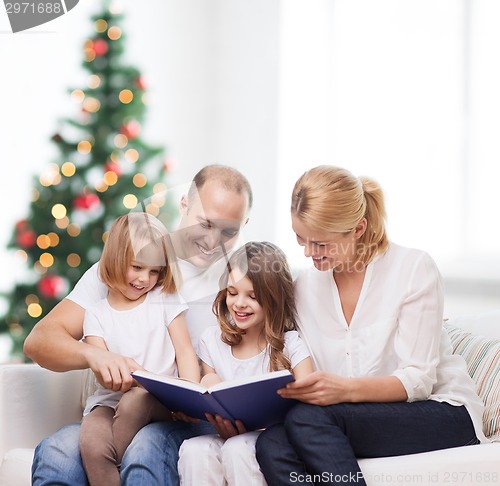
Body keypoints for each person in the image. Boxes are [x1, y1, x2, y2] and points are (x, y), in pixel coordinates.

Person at [255, 166, 487, 485]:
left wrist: (343, 389)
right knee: (272, 444)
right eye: (300, 239)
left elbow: (418, 380)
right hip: (345, 418)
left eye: (321, 244)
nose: (309, 253)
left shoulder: (412, 269)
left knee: (308, 419)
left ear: (358, 228)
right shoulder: (305, 288)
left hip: (441, 411)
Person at [24, 165, 252, 485]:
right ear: (184, 204)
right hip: (114, 411)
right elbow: (39, 341)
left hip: (185, 420)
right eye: (206, 224)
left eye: (228, 231)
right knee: (57, 452)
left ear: (244, 226)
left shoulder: (245, 285)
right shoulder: (125, 266)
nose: (213, 240)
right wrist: (95, 355)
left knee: (145, 448)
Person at [178, 241, 314, 486]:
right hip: (223, 434)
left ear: (273, 299)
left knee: (239, 448)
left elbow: (309, 405)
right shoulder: (212, 340)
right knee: (194, 449)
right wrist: (208, 381)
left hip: (271, 439)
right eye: (232, 293)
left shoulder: (291, 344)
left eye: (252, 296)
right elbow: (210, 397)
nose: (239, 303)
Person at [79, 213, 200, 486]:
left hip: (159, 400)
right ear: (115, 259)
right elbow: (103, 371)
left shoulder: (164, 298)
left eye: (154, 271)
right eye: (137, 267)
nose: (145, 279)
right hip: (109, 401)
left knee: (137, 400)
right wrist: (127, 372)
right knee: (91, 443)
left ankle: (121, 463)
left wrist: (189, 396)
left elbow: (185, 352)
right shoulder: (96, 314)